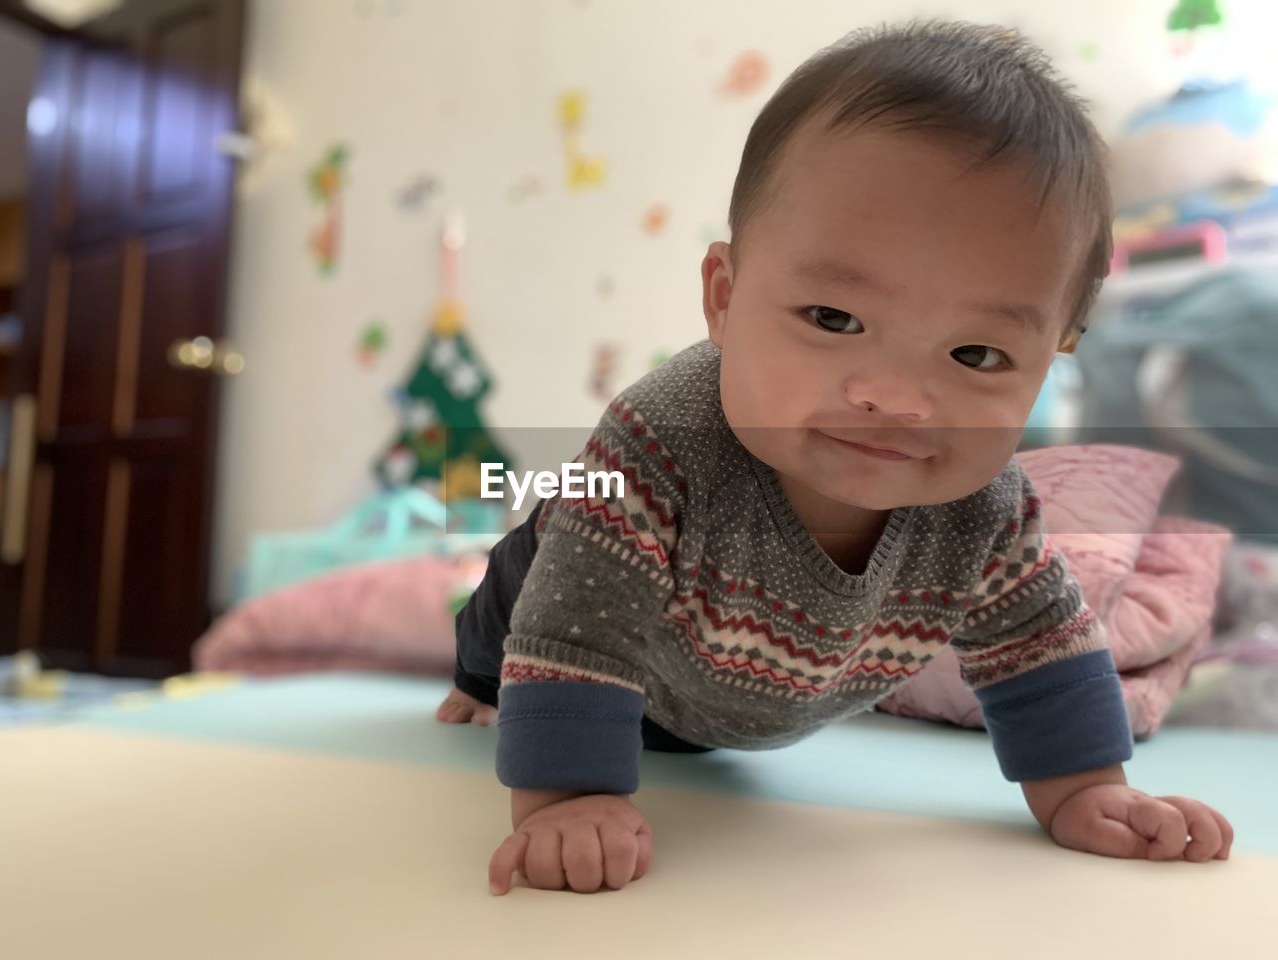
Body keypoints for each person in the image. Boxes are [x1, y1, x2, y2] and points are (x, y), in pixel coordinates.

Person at [437, 19, 1235, 896]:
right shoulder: (657, 444)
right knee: (499, 626)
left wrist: (1086, 789)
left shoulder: (983, 505)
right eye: (834, 320)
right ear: (726, 298)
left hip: (740, 695)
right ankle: (473, 671)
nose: (895, 397)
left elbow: (1039, 643)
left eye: (975, 356)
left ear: (1054, 357)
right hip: (583, 599)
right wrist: (564, 795)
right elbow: (575, 626)